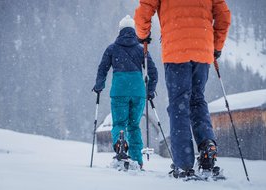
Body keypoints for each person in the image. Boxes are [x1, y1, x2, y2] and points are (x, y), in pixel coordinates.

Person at [134, 0, 231, 177]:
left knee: (179, 105)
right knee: (197, 100)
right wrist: (216, 47)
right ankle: (207, 145)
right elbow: (224, 16)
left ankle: (184, 164)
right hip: (202, 50)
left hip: (176, 51)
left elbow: (145, 8)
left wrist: (142, 34)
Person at [93, 15, 158, 168]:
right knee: (134, 126)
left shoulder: (112, 48)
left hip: (119, 89)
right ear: (133, 31)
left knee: (119, 123)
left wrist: (99, 85)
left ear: (120, 31)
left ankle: (120, 145)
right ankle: (137, 160)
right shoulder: (141, 49)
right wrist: (150, 90)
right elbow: (153, 71)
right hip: (138, 91)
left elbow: (103, 68)